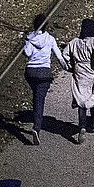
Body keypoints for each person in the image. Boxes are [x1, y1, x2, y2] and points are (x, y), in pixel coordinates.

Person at [22, 14, 68, 145]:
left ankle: (36, 117)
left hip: (30, 72)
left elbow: (27, 53)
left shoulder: (30, 38)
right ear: (46, 26)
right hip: (44, 73)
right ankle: (36, 127)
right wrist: (67, 68)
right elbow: (59, 57)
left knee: (36, 96)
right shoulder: (50, 39)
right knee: (39, 99)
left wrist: (26, 40)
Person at [65, 18, 94, 143]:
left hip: (79, 73)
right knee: (93, 97)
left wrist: (70, 67)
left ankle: (82, 126)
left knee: (81, 100)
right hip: (91, 72)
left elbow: (64, 55)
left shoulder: (74, 42)